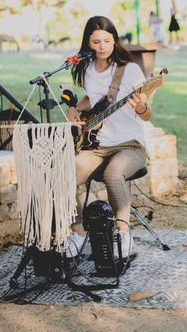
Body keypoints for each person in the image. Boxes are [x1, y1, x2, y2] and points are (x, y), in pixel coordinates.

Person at [65, 16, 152, 258]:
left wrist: (141, 107)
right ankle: (78, 232)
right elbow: (91, 97)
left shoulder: (130, 69)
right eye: (96, 41)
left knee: (114, 173)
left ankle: (123, 235)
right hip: (96, 146)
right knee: (65, 173)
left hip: (130, 146)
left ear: (114, 40)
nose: (102, 45)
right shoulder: (88, 70)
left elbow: (146, 114)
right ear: (88, 44)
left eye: (107, 40)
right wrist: (77, 109)